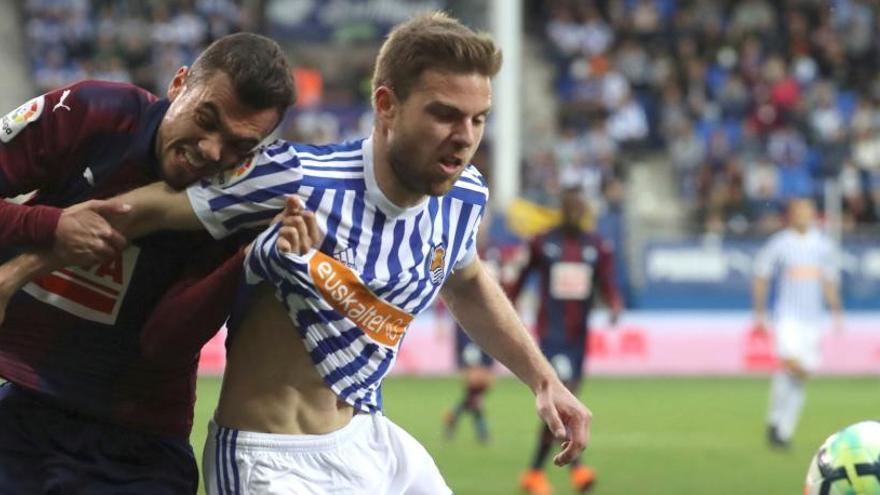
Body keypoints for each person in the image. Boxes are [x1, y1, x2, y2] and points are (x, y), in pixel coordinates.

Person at [0, 11, 593, 493]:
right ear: (385, 105)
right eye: (443, 114)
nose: (463, 136)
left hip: (368, 438)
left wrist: (543, 380)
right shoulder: (289, 179)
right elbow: (137, 211)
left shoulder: (464, 194)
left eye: (477, 119)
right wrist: (32, 252)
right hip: (271, 458)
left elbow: (464, 278)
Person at [0, 32, 294, 494]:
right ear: (178, 84)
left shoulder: (241, 205)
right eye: (206, 118)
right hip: (22, 408)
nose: (212, 151)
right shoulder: (92, 112)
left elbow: (164, 341)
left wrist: (247, 258)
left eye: (239, 145)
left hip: (139, 446)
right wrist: (48, 226)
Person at [509, 186, 623, 495]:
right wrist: (510, 304)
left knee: (566, 402)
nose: (576, 212)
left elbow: (607, 280)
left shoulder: (595, 246)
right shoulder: (543, 242)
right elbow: (519, 276)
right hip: (551, 336)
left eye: (580, 207)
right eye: (571, 206)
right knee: (563, 402)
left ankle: (545, 472)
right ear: (563, 207)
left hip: (578, 338)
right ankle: (548, 472)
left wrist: (614, 303)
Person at [753, 197, 842, 449]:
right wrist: (759, 313)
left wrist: (836, 312)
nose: (805, 215)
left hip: (812, 319)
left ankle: (781, 429)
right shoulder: (780, 244)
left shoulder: (823, 245)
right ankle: (777, 425)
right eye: (801, 211)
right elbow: (761, 276)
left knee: (797, 376)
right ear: (791, 215)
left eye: (809, 211)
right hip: (788, 317)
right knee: (792, 364)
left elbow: (829, 281)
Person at [443, 211, 503, 444]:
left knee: (485, 382)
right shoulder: (460, 249)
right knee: (474, 380)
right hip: (466, 324)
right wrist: (441, 318)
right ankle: (482, 430)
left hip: (491, 323)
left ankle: (454, 415)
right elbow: (446, 285)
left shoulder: (495, 252)